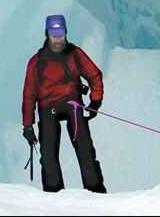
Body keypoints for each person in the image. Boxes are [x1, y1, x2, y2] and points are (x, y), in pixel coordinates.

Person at [22, 14, 107, 193]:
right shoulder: (36, 63)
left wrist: (95, 101)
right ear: (47, 34)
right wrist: (28, 126)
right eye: (55, 35)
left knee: (85, 151)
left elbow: (94, 75)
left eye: (61, 35)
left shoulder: (75, 54)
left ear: (66, 33)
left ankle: (96, 193)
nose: (58, 39)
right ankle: (54, 200)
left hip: (72, 104)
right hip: (48, 108)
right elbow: (29, 95)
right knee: (49, 157)